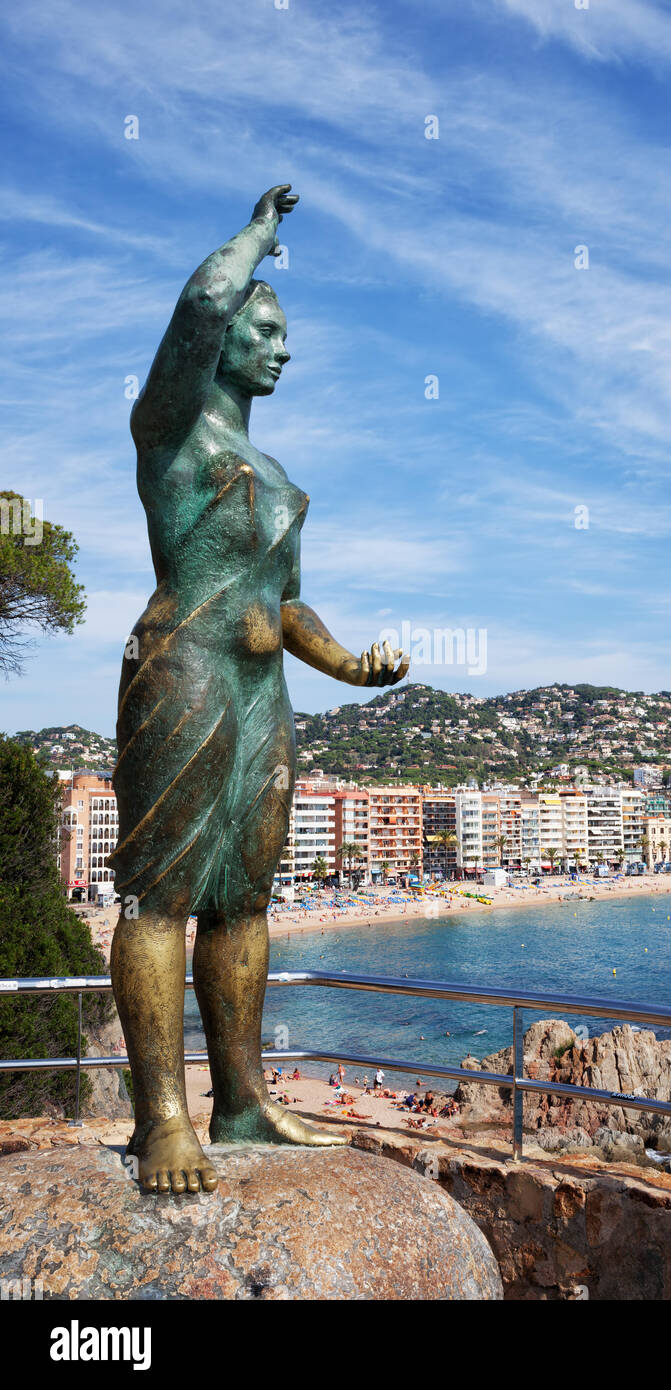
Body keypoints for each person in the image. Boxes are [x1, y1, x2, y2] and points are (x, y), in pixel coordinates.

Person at [108, 185, 410, 1194]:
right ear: (226, 338)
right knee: (163, 896)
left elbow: (286, 605)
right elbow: (196, 307)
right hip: (183, 673)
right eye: (268, 331)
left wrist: (351, 666)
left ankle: (240, 1099)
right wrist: (254, 237)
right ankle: (162, 1121)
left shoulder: (271, 471)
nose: (285, 351)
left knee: (242, 902)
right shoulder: (170, 429)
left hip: (260, 691)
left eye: (284, 333)